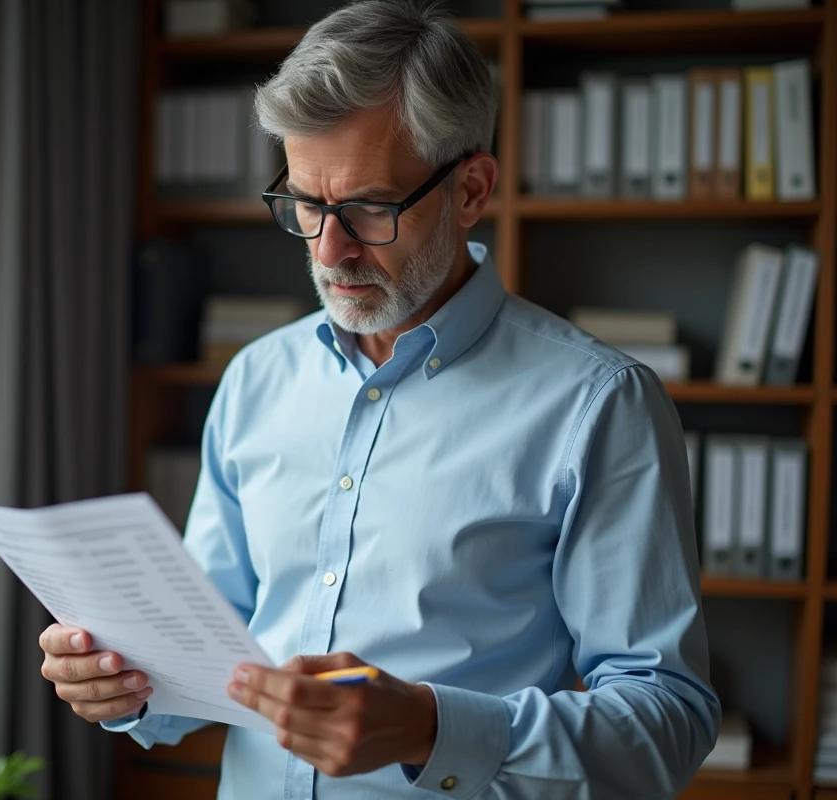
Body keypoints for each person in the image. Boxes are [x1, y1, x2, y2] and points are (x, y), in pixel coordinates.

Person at [38, 1, 721, 797]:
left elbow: (668, 719)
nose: (329, 250)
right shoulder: (257, 379)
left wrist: (433, 729)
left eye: (368, 207)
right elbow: (213, 646)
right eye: (304, 203)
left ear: (471, 189)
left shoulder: (599, 405)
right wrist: (124, 684)